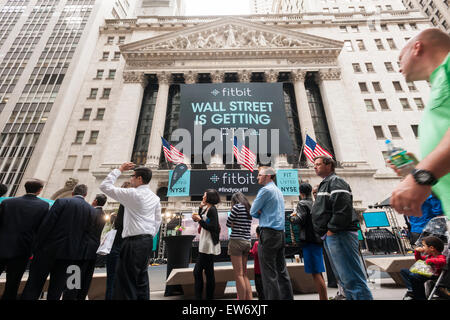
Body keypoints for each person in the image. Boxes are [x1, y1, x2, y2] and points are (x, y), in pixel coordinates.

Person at [390, 28, 450, 217]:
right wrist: (418, 169)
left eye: (400, 59)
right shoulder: (438, 84)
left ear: (417, 47)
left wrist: (422, 175)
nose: (399, 68)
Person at [311, 155, 373, 300]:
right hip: (332, 236)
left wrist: (331, 230)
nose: (315, 167)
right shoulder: (326, 183)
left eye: (318, 164)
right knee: (344, 278)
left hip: (340, 234)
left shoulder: (336, 181)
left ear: (328, 165)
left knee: (351, 276)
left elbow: (342, 208)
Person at [21, 184, 96, 300]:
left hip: (48, 251)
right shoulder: (91, 210)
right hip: (69, 256)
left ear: (72, 193)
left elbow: (47, 225)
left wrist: (36, 246)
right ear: (85, 195)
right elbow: (87, 235)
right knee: (57, 288)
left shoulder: (61, 202)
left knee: (34, 285)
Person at [99, 162, 161, 300]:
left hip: (133, 242)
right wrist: (149, 235)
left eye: (133, 176)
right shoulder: (155, 197)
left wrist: (119, 169)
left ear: (139, 179)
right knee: (142, 279)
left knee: (126, 281)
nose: (130, 179)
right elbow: (158, 221)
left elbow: (104, 186)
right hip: (147, 241)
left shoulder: (132, 194)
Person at [0, 180, 49, 300]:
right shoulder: (43, 206)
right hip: (23, 248)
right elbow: (41, 229)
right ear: (39, 190)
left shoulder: (7, 202)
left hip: (2, 245)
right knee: (13, 282)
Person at [250, 166, 293, 300]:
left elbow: (252, 211)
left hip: (268, 234)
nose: (257, 177)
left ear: (268, 176)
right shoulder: (278, 191)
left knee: (269, 274)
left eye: (260, 174)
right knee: (282, 272)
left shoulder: (265, 191)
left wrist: (261, 212)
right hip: (280, 234)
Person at [63, 193, 108, 300]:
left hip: (81, 248)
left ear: (95, 201)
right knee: (86, 277)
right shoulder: (103, 214)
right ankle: (80, 296)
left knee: (75, 274)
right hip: (93, 249)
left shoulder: (90, 211)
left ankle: (69, 297)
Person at [290, 183, 328, 300]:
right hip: (317, 239)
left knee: (315, 273)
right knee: (319, 271)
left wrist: (291, 217)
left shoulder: (302, 203)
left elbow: (300, 219)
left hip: (309, 240)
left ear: (300, 193)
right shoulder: (314, 203)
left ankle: (323, 298)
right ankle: (323, 297)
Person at [191, 189, 221, 300]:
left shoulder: (212, 210)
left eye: (204, 196)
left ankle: (200, 296)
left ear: (209, 197)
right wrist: (200, 208)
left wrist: (199, 220)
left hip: (208, 245)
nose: (203, 197)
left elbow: (211, 227)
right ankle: (208, 296)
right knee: (208, 272)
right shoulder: (208, 208)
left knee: (198, 272)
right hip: (205, 243)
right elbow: (202, 218)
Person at [105, 181, 131, 300]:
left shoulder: (126, 206)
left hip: (118, 245)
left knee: (112, 279)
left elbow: (120, 226)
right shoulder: (129, 206)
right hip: (127, 246)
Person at [400, 236, 446, 300]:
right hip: (425, 272)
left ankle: (420, 297)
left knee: (414, 276)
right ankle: (411, 290)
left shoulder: (440, 256)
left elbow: (443, 261)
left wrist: (430, 261)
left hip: (433, 275)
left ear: (431, 248)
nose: (422, 247)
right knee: (404, 271)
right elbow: (419, 260)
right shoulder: (429, 256)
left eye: (424, 246)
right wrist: (417, 252)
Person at [226, 192, 253, 300]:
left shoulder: (236, 207)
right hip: (247, 241)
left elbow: (228, 223)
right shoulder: (248, 208)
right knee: (244, 274)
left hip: (237, 241)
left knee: (238, 274)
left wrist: (234, 224)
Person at [249, 226, 264, 300]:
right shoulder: (267, 243)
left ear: (257, 234)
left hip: (258, 272)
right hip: (267, 271)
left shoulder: (256, 243)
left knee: (259, 289)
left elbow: (253, 253)